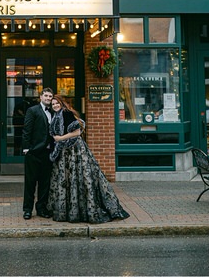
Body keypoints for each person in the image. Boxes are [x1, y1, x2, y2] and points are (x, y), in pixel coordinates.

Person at [47, 95, 129, 223]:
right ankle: (70, 211)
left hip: (75, 150)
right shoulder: (56, 116)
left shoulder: (67, 113)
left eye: (57, 103)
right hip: (64, 152)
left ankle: (84, 210)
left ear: (62, 103)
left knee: (80, 178)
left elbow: (77, 132)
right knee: (68, 180)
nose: (55, 106)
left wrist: (60, 139)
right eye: (53, 104)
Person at [21, 86, 54, 219]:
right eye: (46, 96)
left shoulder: (54, 112)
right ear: (41, 97)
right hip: (34, 152)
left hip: (48, 153)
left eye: (50, 96)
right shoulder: (33, 110)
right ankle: (27, 209)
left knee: (45, 183)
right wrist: (26, 149)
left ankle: (41, 208)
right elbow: (27, 130)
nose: (48, 98)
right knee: (30, 183)